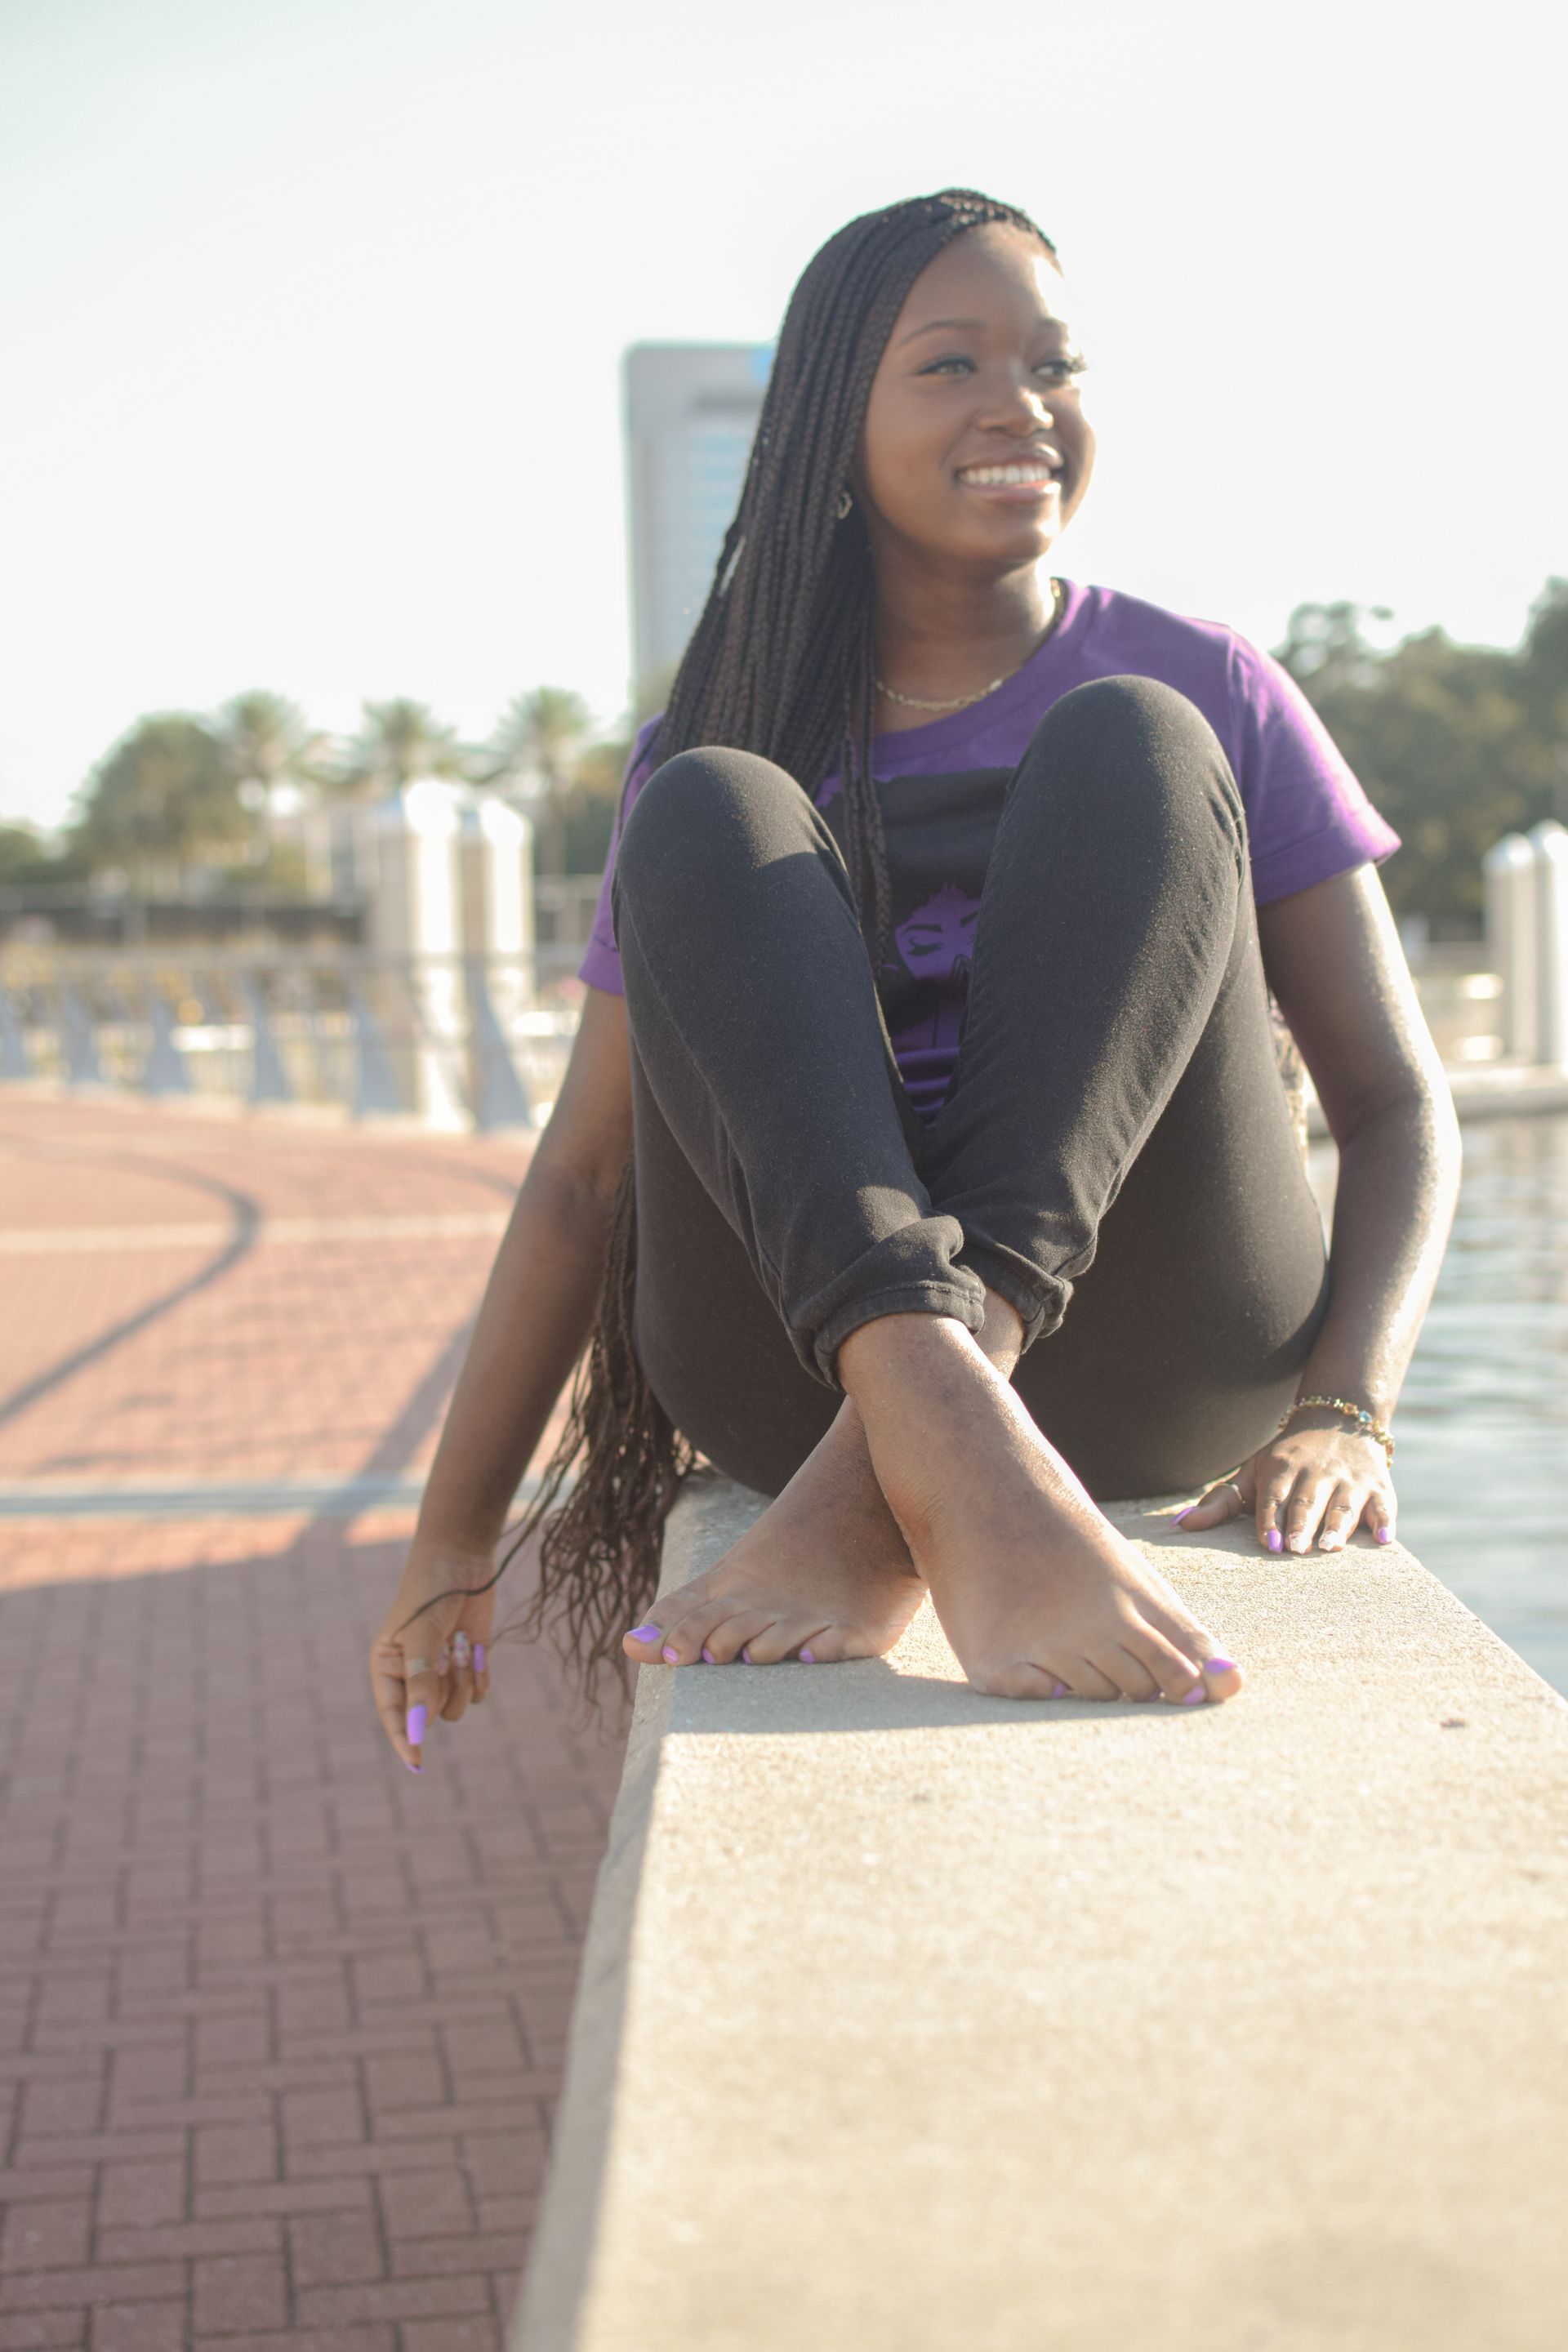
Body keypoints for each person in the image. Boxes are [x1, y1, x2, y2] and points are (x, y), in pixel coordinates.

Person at [369, 189, 1461, 1769]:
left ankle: (894, 1479)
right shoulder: (722, 720)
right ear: (838, 416)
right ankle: (926, 1421)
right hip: (797, 1374)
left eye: (1054, 365)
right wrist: (450, 1537)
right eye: (950, 365)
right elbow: (586, 1176)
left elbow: (1393, 1104)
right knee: (711, 803)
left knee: (1137, 745)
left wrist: (1345, 1410)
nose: (1019, 403)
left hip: (1148, 1349)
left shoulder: (1209, 680)